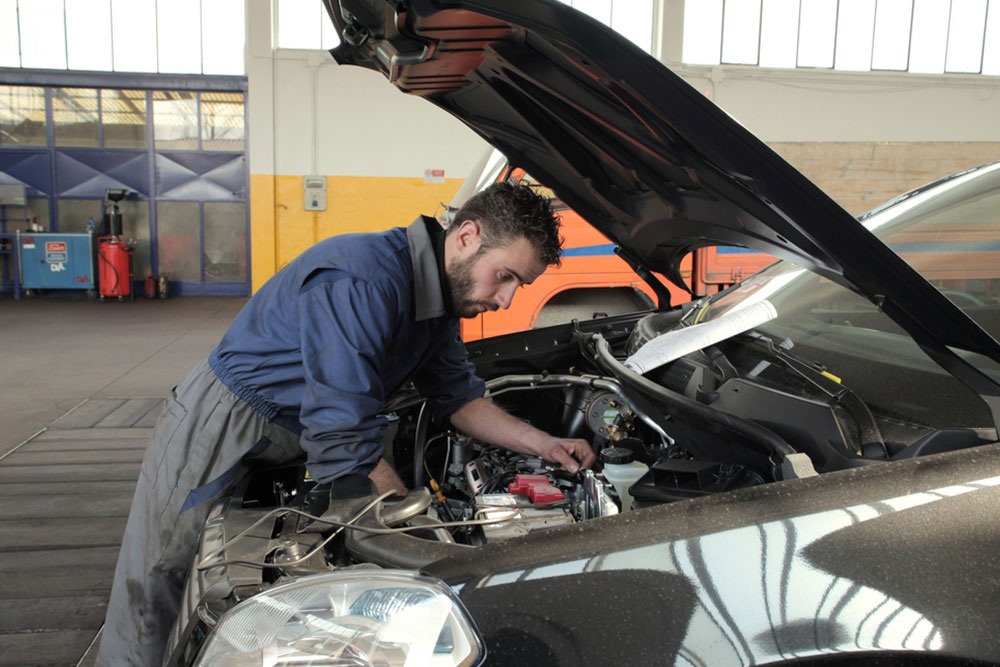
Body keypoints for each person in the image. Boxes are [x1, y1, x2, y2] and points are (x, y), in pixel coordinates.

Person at [96, 181, 596, 666]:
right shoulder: (364, 278)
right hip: (226, 419)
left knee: (231, 569)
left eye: (519, 285)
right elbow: (341, 432)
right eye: (505, 276)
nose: (506, 300)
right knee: (162, 573)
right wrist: (409, 520)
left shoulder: (437, 303)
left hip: (293, 429)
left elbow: (459, 397)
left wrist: (545, 444)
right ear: (466, 236)